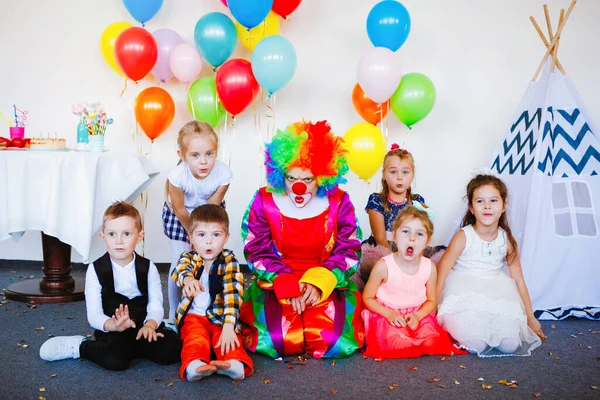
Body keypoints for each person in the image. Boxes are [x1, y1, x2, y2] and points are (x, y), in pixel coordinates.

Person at [240, 120, 364, 359]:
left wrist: (321, 281)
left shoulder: (339, 201)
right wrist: (284, 281)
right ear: (279, 174)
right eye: (290, 178)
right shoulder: (264, 200)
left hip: (325, 278)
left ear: (321, 177)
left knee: (332, 341)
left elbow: (350, 249)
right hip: (279, 279)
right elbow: (255, 248)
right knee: (280, 341)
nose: (298, 187)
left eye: (307, 180)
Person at [40, 201, 181, 370]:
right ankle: (81, 346)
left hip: (143, 326)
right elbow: (94, 315)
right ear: (103, 236)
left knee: (171, 352)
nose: (119, 241)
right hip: (113, 330)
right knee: (115, 361)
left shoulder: (148, 268)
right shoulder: (96, 270)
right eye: (112, 234)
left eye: (127, 234)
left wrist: (151, 324)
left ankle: (142, 344)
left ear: (140, 235)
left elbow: (156, 305)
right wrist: (114, 325)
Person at [436, 174, 546, 357]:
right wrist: (433, 308)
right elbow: (441, 273)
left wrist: (531, 317)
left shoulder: (507, 240)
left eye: (493, 200)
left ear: (503, 206)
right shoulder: (463, 236)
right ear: (471, 208)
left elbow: (518, 280)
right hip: (463, 289)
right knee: (476, 343)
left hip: (497, 290)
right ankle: (474, 329)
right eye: (480, 201)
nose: (487, 206)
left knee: (510, 344)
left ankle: (493, 326)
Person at [362, 206, 466, 359]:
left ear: (427, 242)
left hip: (416, 313)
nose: (412, 238)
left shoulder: (429, 267)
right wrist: (389, 314)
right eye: (405, 232)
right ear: (395, 236)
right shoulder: (383, 266)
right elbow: (367, 297)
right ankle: (403, 339)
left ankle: (416, 338)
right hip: (387, 313)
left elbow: (431, 300)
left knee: (431, 342)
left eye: (419, 234)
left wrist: (418, 316)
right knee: (394, 343)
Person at [162, 120, 233, 323]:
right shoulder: (177, 176)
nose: (203, 161)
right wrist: (191, 234)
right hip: (180, 217)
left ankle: (206, 309)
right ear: (182, 156)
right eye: (195, 155)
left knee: (207, 260)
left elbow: (212, 207)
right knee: (180, 262)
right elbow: (180, 209)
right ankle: (174, 315)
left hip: (208, 214)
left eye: (209, 154)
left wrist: (202, 234)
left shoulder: (223, 174)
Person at [172, 204, 253, 382]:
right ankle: (195, 366)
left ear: (226, 238)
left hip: (220, 316)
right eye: (201, 235)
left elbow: (233, 293)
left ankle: (234, 364)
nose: (209, 241)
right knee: (194, 338)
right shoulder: (189, 257)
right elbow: (180, 270)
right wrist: (188, 280)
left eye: (216, 235)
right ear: (191, 237)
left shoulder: (229, 260)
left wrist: (228, 326)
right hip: (194, 316)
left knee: (227, 339)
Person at [359, 145, 427, 283]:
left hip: (409, 247)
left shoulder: (417, 202)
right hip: (382, 249)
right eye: (393, 172)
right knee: (373, 267)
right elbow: (380, 238)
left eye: (405, 172)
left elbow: (421, 234)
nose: (400, 177)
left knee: (425, 267)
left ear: (413, 174)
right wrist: (397, 262)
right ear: (384, 174)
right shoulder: (376, 200)